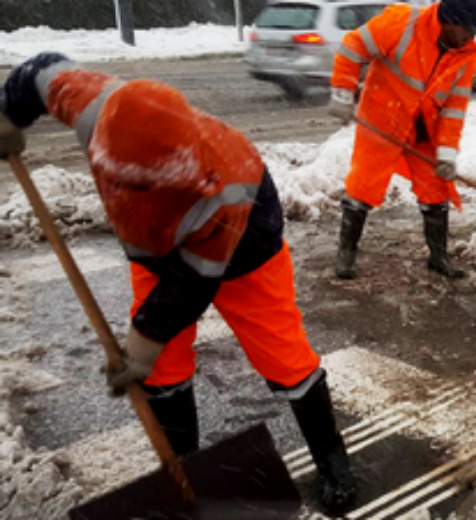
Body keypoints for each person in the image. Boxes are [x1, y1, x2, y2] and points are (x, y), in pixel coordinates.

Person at [0, 53, 357, 513]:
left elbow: (190, 286)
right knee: (163, 368)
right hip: (153, 246)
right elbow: (39, 72)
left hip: (243, 246)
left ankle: (334, 463)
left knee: (282, 354)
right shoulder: (100, 107)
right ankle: (186, 472)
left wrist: (143, 339)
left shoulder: (224, 190)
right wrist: (9, 116)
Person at [327, 0, 476, 280]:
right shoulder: (402, 24)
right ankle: (346, 254)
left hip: (424, 128)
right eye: (468, 29)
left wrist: (448, 153)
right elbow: (352, 46)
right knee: (363, 185)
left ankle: (439, 258)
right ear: (449, 21)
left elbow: (454, 107)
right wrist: (343, 92)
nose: (472, 37)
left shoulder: (467, 53)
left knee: (436, 189)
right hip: (382, 119)